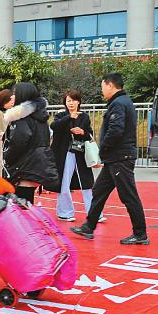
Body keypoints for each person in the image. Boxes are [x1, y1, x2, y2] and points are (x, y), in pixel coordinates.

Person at [71, 73, 149, 245]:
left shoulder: (119, 104)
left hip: (120, 156)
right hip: (115, 157)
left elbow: (116, 130)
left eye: (102, 87)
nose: (102, 90)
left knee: (129, 195)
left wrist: (103, 147)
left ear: (110, 85)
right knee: (99, 191)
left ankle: (140, 233)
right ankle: (88, 227)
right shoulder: (121, 102)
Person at [50, 90, 106, 223]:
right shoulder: (61, 115)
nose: (71, 103)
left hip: (80, 153)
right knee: (64, 182)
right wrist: (70, 117)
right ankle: (64, 212)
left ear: (79, 102)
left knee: (87, 183)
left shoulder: (84, 117)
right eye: (68, 100)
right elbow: (54, 126)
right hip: (65, 154)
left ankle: (95, 213)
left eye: (74, 100)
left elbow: (89, 134)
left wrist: (83, 132)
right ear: (65, 102)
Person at [2, 82, 58, 204]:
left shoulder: (22, 117)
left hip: (24, 167)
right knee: (27, 204)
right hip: (36, 165)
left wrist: (7, 157)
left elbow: (18, 142)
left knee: (21, 208)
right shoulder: (40, 116)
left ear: (22, 95)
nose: (12, 97)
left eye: (14, 94)